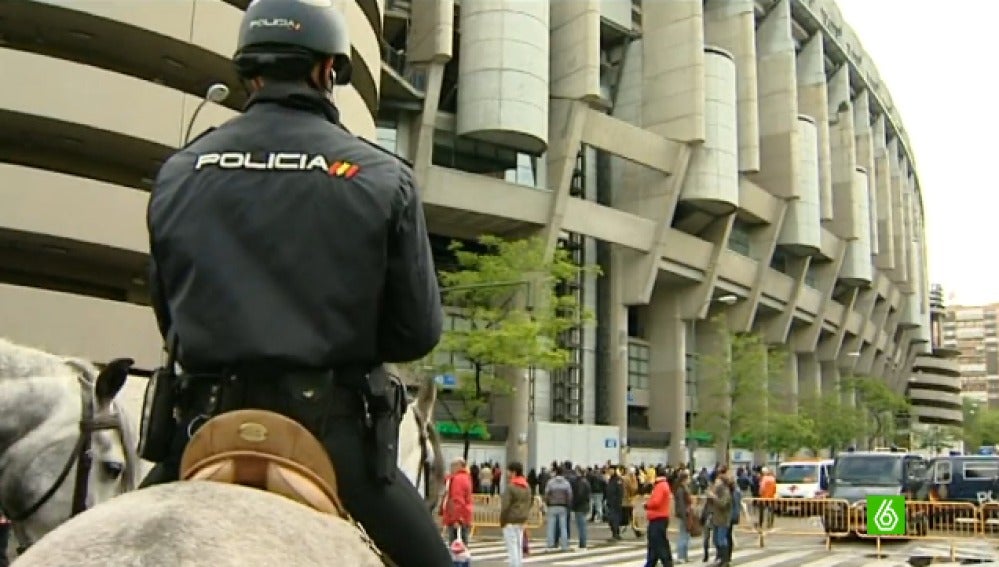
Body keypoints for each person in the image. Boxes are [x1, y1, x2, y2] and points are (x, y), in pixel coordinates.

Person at [139, 1, 448, 566]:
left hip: (201, 425)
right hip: (332, 437)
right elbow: (416, 332)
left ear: (249, 72)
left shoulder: (180, 171)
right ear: (326, 71)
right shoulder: (380, 176)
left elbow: (169, 315)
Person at [499, 462, 532, 567]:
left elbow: (505, 506)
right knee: (518, 547)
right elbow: (529, 502)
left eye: (509, 471)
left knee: (512, 548)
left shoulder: (511, 487)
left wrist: (502, 521)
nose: (507, 473)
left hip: (510, 520)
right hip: (521, 519)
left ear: (513, 472)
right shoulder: (527, 486)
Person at [643, 466, 674, 567]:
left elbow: (656, 502)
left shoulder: (660, 486)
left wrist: (647, 505)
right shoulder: (663, 485)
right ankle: (650, 563)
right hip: (660, 518)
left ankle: (667, 563)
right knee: (654, 546)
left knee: (659, 545)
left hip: (658, 518)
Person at [442, 458, 474, 548]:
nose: (451, 468)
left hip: (457, 518)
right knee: (461, 546)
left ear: (459, 465)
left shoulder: (458, 479)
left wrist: (457, 519)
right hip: (463, 516)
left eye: (452, 465)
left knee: (456, 547)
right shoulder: (465, 478)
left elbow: (457, 500)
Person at [705, 469, 733, 567]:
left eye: (718, 481)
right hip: (716, 519)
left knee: (721, 540)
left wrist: (713, 497)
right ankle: (719, 558)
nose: (716, 482)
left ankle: (725, 560)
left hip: (723, 519)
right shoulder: (717, 490)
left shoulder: (726, 491)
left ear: (722, 482)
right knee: (716, 540)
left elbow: (723, 504)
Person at [543, 467, 573, 551]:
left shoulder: (550, 482)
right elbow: (569, 495)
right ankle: (564, 545)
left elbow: (546, 494)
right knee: (563, 527)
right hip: (562, 506)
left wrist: (547, 503)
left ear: (555, 472)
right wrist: (568, 504)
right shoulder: (566, 483)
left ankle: (550, 544)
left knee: (551, 526)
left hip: (552, 506)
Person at [673, 470, 693, 563]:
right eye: (688, 477)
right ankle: (681, 556)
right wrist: (684, 516)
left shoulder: (684, 488)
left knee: (686, 536)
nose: (689, 479)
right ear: (684, 479)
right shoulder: (681, 490)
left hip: (687, 514)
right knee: (683, 536)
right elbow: (681, 505)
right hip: (684, 515)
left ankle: (685, 556)